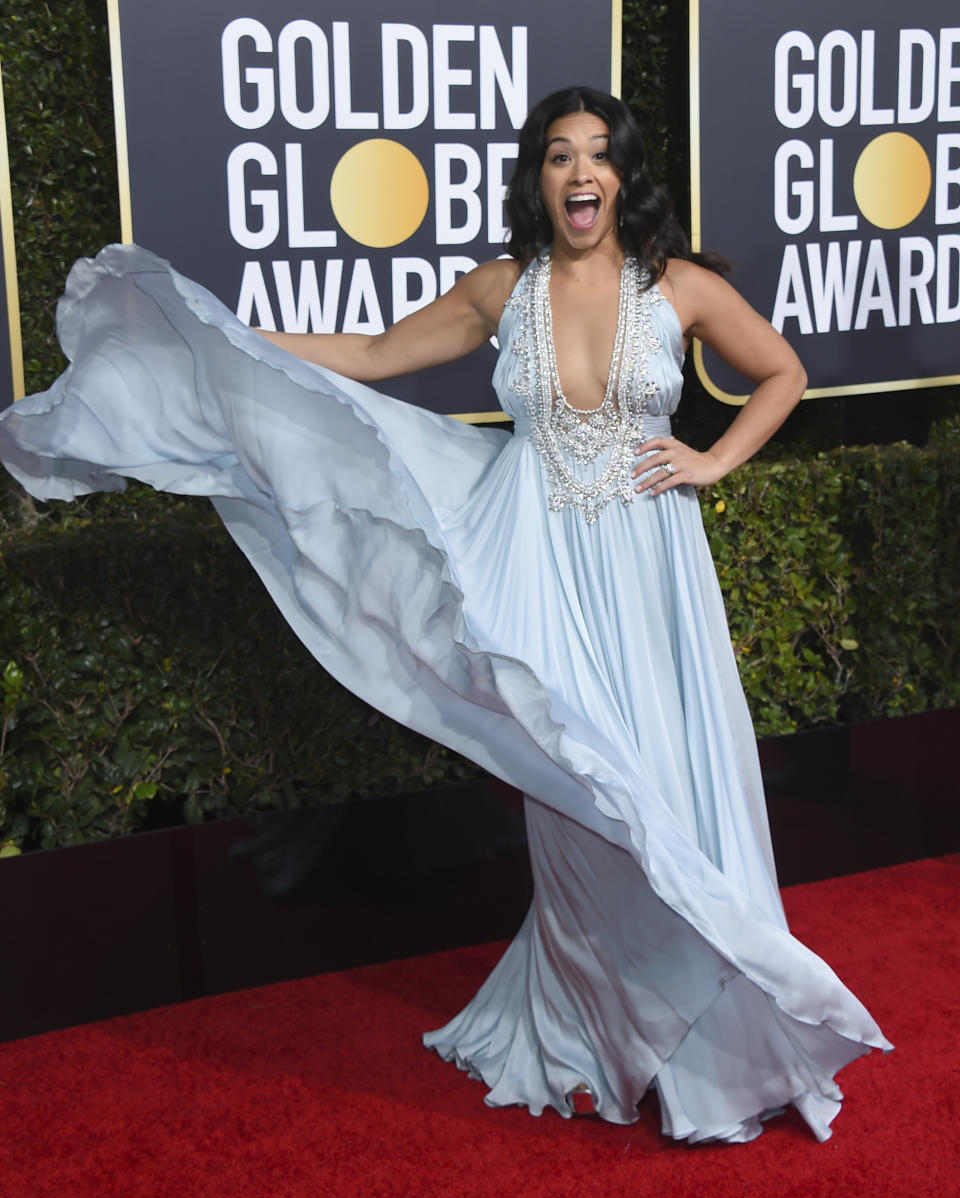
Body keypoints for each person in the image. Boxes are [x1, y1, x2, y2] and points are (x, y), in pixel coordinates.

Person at [0, 86, 889, 1143]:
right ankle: (591, 1028)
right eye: (558, 156)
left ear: (625, 175)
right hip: (538, 564)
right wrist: (225, 339)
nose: (579, 174)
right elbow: (374, 360)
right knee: (577, 794)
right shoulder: (500, 290)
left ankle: (715, 1041)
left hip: (653, 572)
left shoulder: (681, 287)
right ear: (539, 178)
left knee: (674, 782)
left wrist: (712, 459)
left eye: (598, 156)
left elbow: (782, 371)